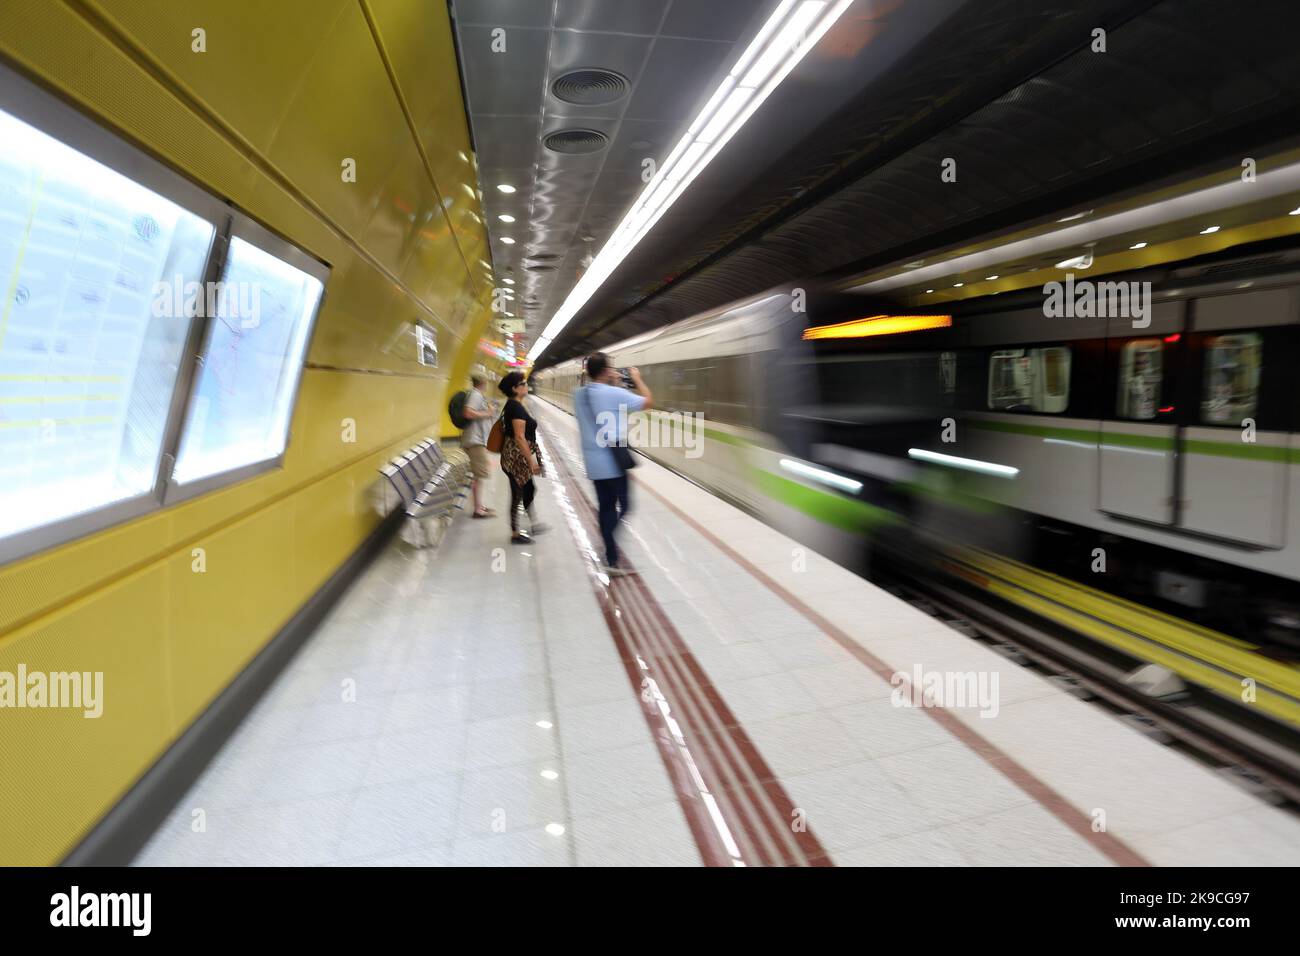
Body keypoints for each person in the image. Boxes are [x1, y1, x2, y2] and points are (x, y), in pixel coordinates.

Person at [574, 352, 653, 576]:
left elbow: (598, 399)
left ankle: (610, 557)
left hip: (592, 462)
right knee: (625, 506)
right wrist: (636, 380)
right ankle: (608, 541)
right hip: (613, 461)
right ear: (607, 371)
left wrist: (613, 384)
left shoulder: (579, 395)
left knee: (606, 507)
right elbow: (648, 401)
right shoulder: (615, 393)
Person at [498, 371, 547, 544]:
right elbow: (519, 437)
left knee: (528, 489)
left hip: (514, 455)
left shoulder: (514, 404)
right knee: (517, 493)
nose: (527, 386)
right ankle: (515, 534)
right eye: (524, 383)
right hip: (517, 457)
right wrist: (531, 460)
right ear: (515, 389)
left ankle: (532, 523)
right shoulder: (515, 407)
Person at [460, 371, 497, 518]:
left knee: (479, 475)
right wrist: (488, 413)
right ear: (483, 383)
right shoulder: (475, 394)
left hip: (476, 440)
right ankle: (477, 510)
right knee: (479, 475)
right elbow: (468, 413)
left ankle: (479, 506)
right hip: (475, 441)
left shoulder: (476, 394)